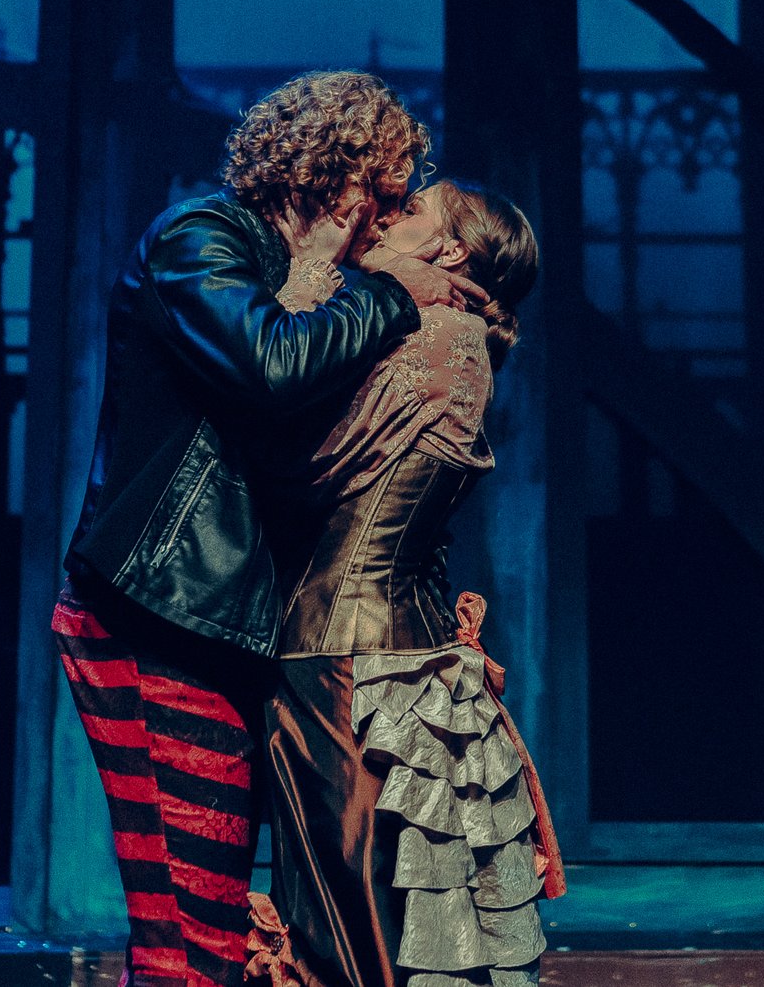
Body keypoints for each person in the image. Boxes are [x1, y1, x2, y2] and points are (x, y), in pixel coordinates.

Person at [52, 71, 481, 987]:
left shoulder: (306, 284)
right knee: (190, 935)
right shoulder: (198, 238)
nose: (393, 216)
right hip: (156, 618)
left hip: (219, 629)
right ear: (331, 177)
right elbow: (270, 366)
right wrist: (396, 295)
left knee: (202, 930)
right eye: (387, 191)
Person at [247, 179, 563, 987]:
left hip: (348, 658)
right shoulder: (439, 326)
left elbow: (294, 456)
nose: (388, 216)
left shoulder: (432, 331)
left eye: (413, 210)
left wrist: (310, 278)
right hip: (393, 655)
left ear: (452, 250)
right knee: (377, 905)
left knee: (355, 919)